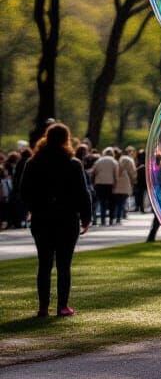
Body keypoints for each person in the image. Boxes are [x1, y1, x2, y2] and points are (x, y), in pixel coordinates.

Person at [19, 123, 92, 317]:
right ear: (66, 139)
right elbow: (82, 194)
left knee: (44, 264)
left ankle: (43, 307)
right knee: (63, 265)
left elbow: (24, 192)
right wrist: (86, 218)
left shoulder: (33, 163)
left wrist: (33, 208)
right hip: (67, 219)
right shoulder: (73, 163)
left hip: (42, 219)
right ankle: (62, 306)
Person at [90, 147, 118, 226]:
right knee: (111, 202)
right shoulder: (114, 161)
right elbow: (116, 174)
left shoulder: (99, 161)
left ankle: (102, 220)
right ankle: (111, 219)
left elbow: (93, 172)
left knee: (102, 202)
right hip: (110, 184)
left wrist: (93, 181)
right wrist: (116, 183)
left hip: (99, 183)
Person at [113, 148, 136, 224]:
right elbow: (133, 172)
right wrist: (133, 181)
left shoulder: (115, 162)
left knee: (117, 201)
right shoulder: (129, 160)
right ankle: (121, 215)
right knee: (122, 201)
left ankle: (116, 215)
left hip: (115, 184)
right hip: (126, 183)